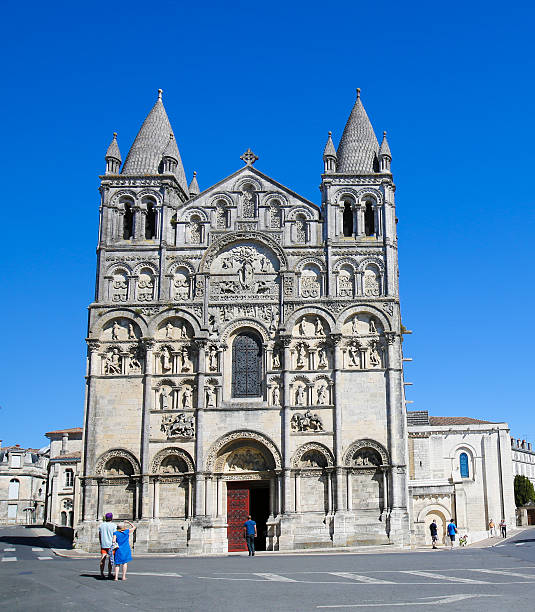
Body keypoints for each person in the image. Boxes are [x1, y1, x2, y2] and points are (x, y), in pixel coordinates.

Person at [98, 512, 117, 579]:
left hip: (104, 544)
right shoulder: (114, 525)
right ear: (111, 518)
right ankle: (109, 573)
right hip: (111, 545)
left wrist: (101, 542)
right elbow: (115, 535)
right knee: (110, 559)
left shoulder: (101, 525)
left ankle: (102, 573)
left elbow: (99, 535)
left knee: (103, 558)